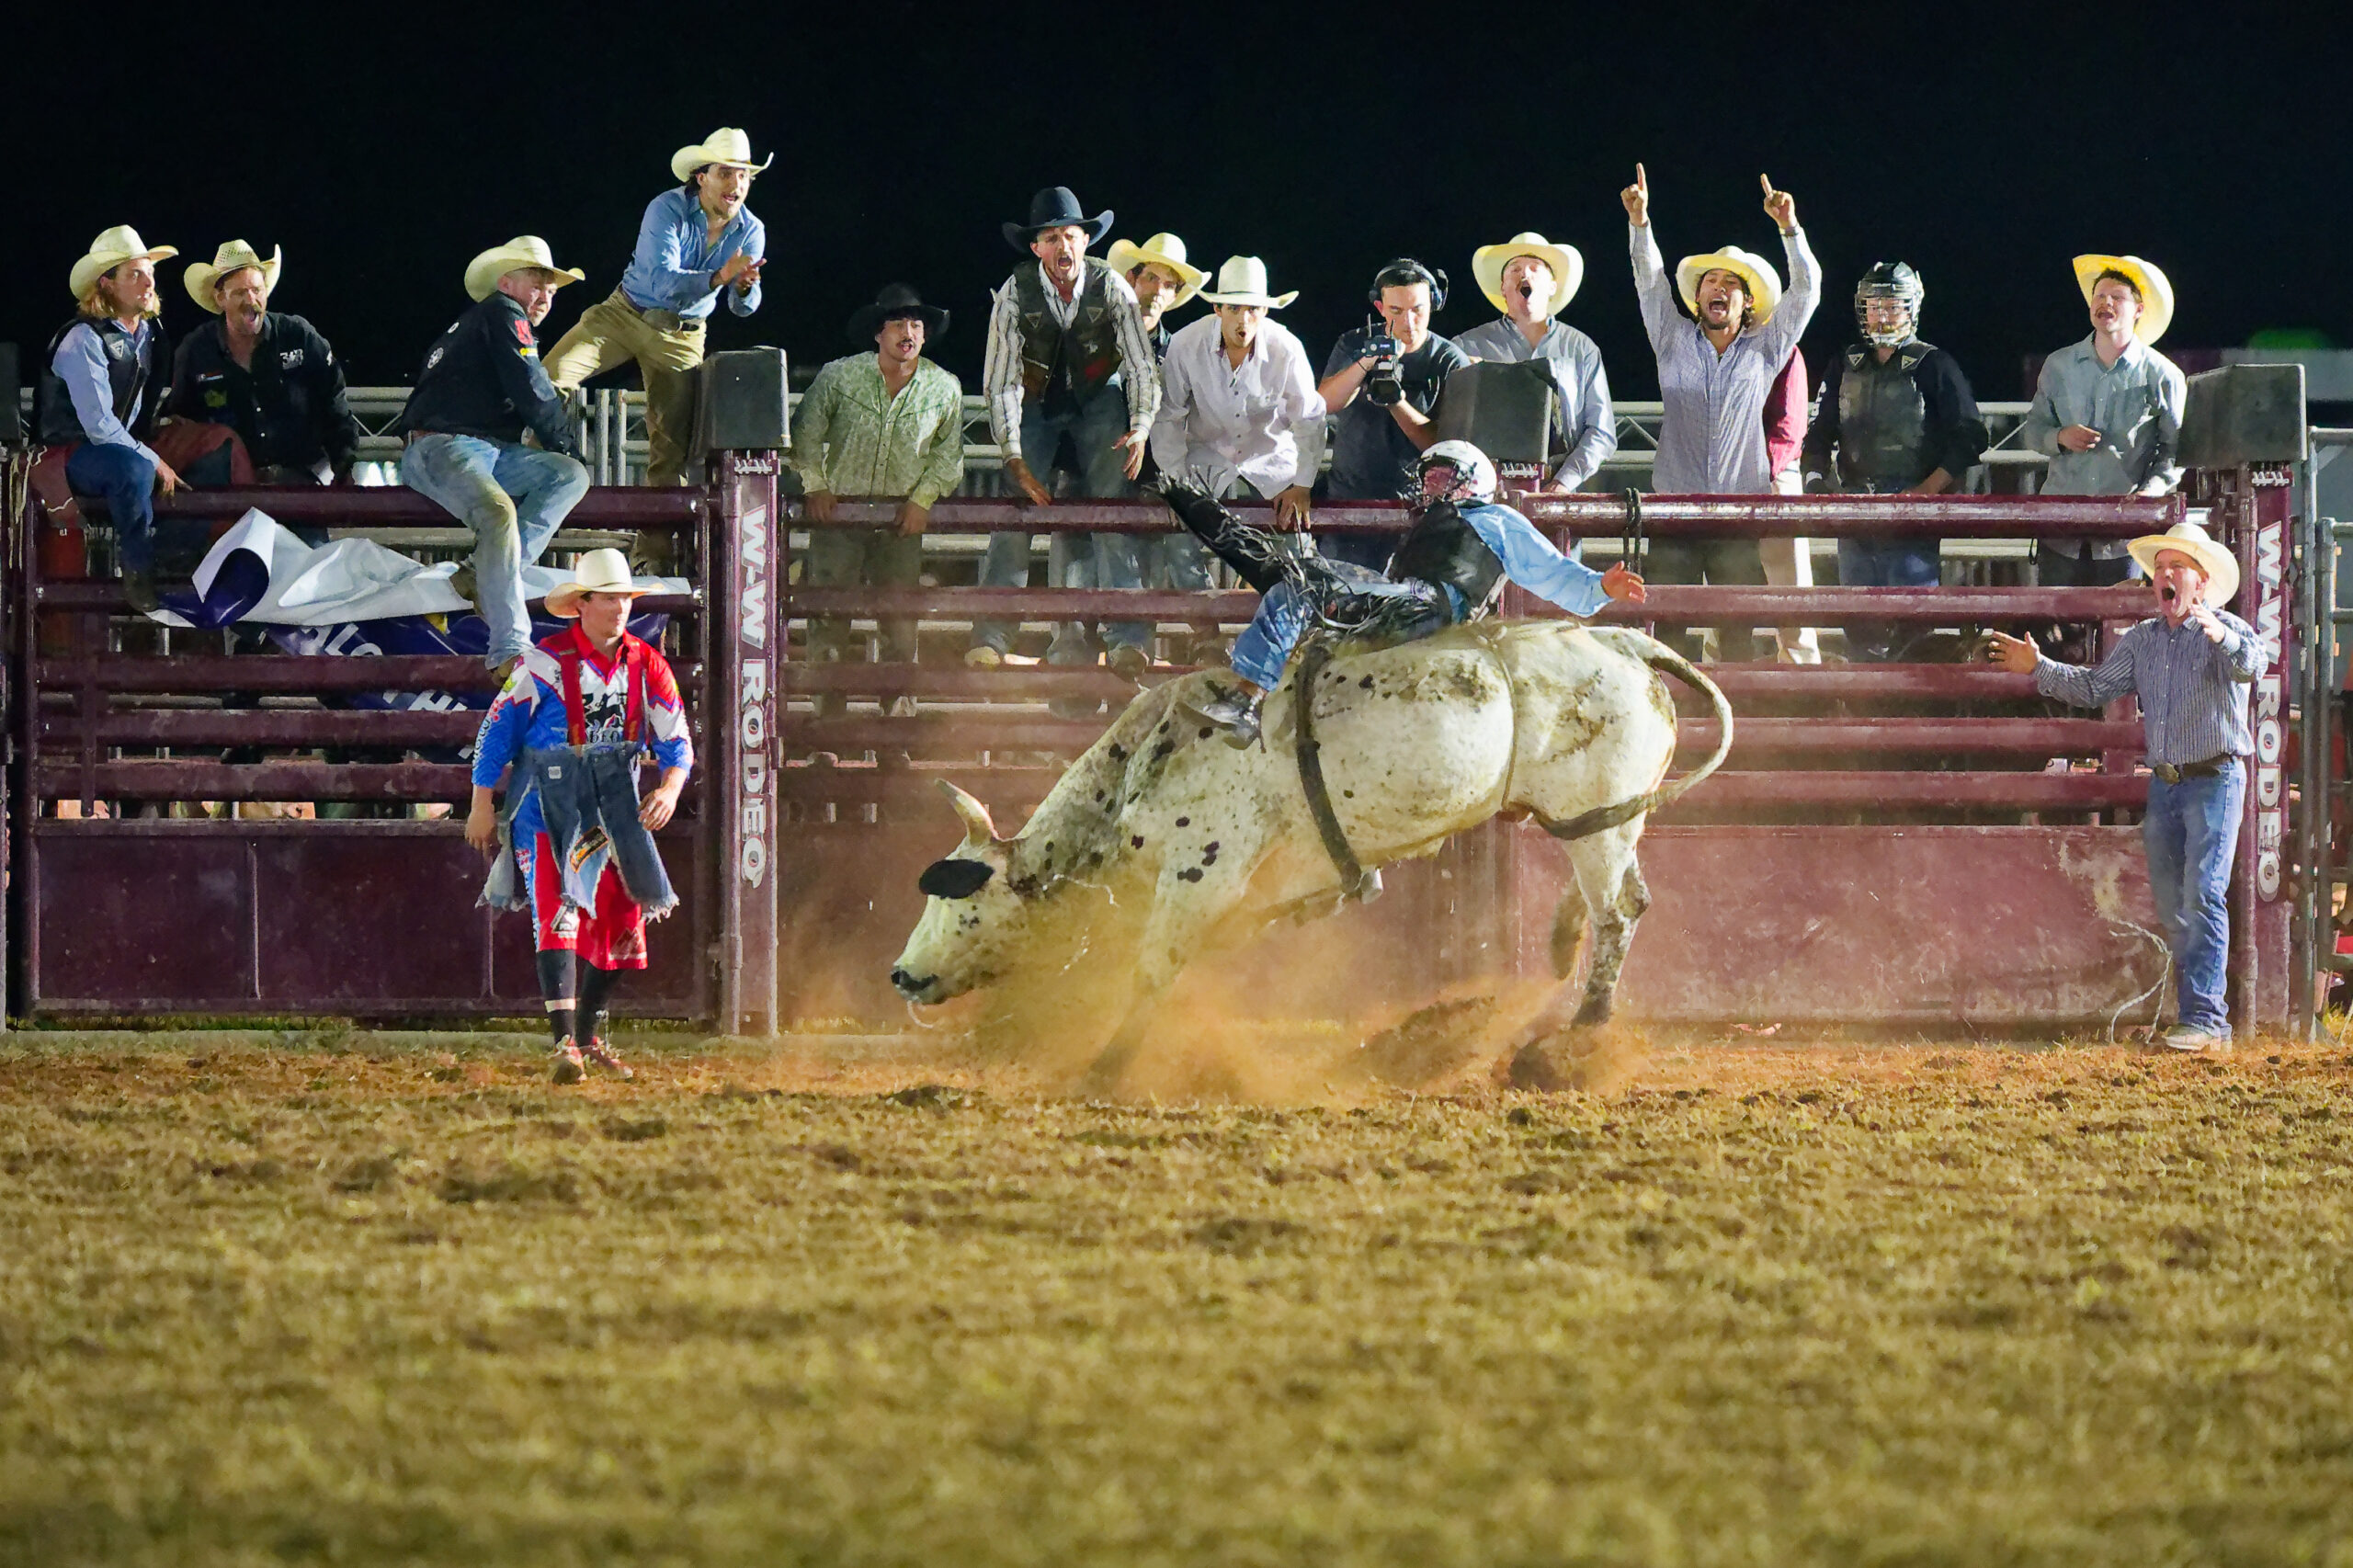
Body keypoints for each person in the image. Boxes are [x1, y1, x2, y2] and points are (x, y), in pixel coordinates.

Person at [1159, 441, 1644, 748]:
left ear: (1469, 482)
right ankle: (1188, 501)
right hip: (1405, 601)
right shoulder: (1422, 531)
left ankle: (1247, 701)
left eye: (1439, 478)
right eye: (1427, 479)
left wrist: (1598, 587)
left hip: (1429, 606)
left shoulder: (1495, 520)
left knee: (1298, 583)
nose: (1428, 489)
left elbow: (1548, 570)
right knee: (1286, 576)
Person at [1985, 522, 2265, 1052]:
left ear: (2200, 583)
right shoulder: (2142, 640)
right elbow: (2094, 688)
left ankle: (2205, 1019)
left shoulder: (2228, 630)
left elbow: (2253, 663)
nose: (2164, 574)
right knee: (2175, 900)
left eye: (2176, 567)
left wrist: (2222, 635)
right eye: (2160, 567)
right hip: (2168, 783)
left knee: (2202, 893)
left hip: (2215, 777)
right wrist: (2039, 667)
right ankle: (2202, 1020)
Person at [468, 550, 693, 1084]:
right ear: (583, 605)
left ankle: (585, 1038)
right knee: (559, 909)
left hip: (615, 802)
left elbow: (677, 738)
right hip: (549, 803)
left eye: (624, 598)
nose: (619, 607)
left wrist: (670, 787)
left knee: (623, 920)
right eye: (609, 597)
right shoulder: (543, 663)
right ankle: (565, 1042)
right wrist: (482, 804)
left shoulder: (647, 664)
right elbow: (496, 731)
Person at [1622, 165, 1819, 662]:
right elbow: (1649, 282)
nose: (1719, 288)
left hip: (1737, 511)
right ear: (1697, 296)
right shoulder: (1670, 339)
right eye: (1711, 280)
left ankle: (1738, 729)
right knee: (1667, 629)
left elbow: (1808, 291)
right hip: (1676, 510)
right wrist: (1640, 225)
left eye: (1731, 283)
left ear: (1746, 301)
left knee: (1736, 635)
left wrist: (1789, 230)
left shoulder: (1766, 346)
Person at [971, 187, 1162, 676]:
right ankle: (991, 636)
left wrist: (1140, 427)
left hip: (1098, 400)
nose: (1063, 247)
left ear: (1085, 241)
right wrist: (1012, 453)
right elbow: (1001, 382)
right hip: (1036, 402)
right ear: (1036, 247)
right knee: (1016, 513)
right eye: (1051, 238)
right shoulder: (1015, 293)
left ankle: (1128, 636)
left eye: (1070, 236)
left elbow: (1141, 364)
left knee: (1111, 507)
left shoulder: (1112, 287)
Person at [393, 235, 593, 673]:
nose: (545, 296)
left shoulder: (479, 321)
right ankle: (509, 648)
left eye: (552, 290)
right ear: (506, 283)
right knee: (519, 501)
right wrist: (565, 443)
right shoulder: (504, 314)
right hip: (443, 446)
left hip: (470, 446)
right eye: (537, 284)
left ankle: (479, 575)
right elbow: (533, 389)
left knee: (568, 476)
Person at [544, 128, 769, 491]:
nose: (737, 183)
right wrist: (717, 278)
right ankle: (535, 474)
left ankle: (655, 548)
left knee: (672, 449)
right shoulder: (666, 208)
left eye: (744, 175)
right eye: (726, 173)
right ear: (702, 178)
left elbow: (743, 309)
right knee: (550, 377)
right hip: (623, 314)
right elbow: (661, 281)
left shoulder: (752, 230)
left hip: (683, 334)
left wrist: (744, 289)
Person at [1802, 263, 1989, 661]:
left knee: (1913, 624)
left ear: (1911, 309)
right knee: (1857, 621)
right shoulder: (1844, 363)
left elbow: (1972, 434)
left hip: (1911, 511)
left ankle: (1912, 715)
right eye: (1874, 305)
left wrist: (1925, 492)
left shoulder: (1935, 365)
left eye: (1892, 304)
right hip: (1855, 508)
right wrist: (1816, 484)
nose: (1882, 314)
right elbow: (1819, 432)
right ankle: (1866, 717)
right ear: (1862, 309)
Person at [791, 285, 965, 708]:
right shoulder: (839, 375)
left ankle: (895, 736)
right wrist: (815, 484)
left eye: (916, 326)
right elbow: (804, 433)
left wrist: (923, 499)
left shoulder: (944, 388)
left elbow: (948, 454)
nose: (909, 333)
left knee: (901, 625)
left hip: (899, 518)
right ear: (879, 333)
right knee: (829, 621)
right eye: (899, 324)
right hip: (842, 514)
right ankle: (828, 734)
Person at [33, 227, 185, 611]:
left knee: (199, 455)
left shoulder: (149, 334)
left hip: (115, 447)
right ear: (107, 284)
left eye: (149, 273)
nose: (148, 282)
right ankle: (139, 569)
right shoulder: (82, 338)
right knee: (132, 470)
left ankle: (181, 559)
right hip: (67, 451)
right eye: (135, 274)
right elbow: (99, 426)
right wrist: (152, 458)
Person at [2021, 255, 2186, 597]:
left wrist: (2151, 493)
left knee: (2120, 631)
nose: (2105, 303)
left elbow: (2174, 450)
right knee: (2055, 628)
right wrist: (2060, 437)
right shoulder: (2059, 365)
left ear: (2139, 310)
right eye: (2099, 296)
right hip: (2060, 528)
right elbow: (2033, 431)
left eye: (2117, 297)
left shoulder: (2162, 374)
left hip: (2123, 533)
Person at [1148, 255, 1325, 527]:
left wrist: (1302, 485)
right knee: (1179, 542)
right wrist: (1177, 483)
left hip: (1272, 461)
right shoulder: (1186, 343)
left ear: (1265, 311)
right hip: (1203, 463)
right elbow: (1167, 415)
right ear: (1218, 310)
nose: (1243, 320)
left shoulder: (1286, 348)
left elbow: (1309, 417)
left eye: (1253, 309)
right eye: (1233, 308)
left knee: (1295, 540)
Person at [167, 240, 361, 487]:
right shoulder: (196, 350)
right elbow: (181, 419)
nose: (252, 300)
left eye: (257, 290)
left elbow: (334, 405)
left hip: (302, 481)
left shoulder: (299, 336)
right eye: (240, 292)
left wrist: (344, 464)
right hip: (230, 487)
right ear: (220, 299)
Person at [1318, 259, 1469, 570]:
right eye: (1397, 311)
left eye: (1418, 310)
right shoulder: (1353, 344)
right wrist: (1367, 362)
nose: (1409, 322)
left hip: (1421, 509)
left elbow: (1447, 446)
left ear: (1434, 305)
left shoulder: (1448, 360)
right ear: (1380, 307)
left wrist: (1395, 402)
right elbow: (1324, 403)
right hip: (1350, 502)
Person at [1108, 231, 1218, 647]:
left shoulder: (1179, 353)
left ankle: (1195, 640)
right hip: (1100, 476)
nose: (1158, 292)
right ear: (1133, 280)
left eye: (1168, 285)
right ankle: (1087, 666)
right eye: (1151, 279)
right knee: (1083, 575)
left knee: (1167, 560)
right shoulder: (1097, 342)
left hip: (1157, 477)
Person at [1452, 233, 1616, 494]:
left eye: (1534, 268)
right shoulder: (1466, 346)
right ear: (1503, 288)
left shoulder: (1581, 348)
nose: (1524, 275)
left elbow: (1601, 430)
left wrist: (1564, 482)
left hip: (1559, 495)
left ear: (1552, 286)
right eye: (1514, 270)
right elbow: (1450, 428)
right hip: (1484, 496)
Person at [1760, 347, 1819, 662]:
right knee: (1725, 576)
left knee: (1790, 581)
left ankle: (1803, 676)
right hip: (1742, 475)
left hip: (1774, 474)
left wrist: (1753, 473)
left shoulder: (1786, 350)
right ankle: (1721, 671)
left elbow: (1788, 430)